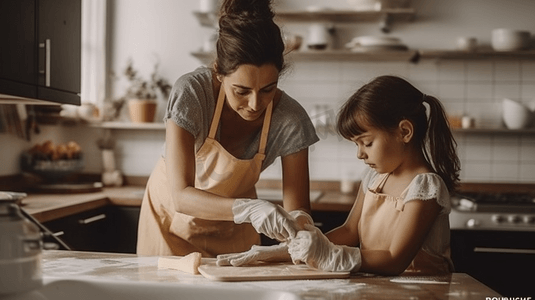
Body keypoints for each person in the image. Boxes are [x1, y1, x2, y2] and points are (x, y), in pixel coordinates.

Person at [218, 75, 460, 276]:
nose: (360, 155)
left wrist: (330, 255)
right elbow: (350, 231)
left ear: (404, 131)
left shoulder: (425, 186)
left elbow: (394, 259)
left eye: (366, 143)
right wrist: (286, 250)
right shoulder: (375, 179)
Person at [136, 0, 318, 258]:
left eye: (268, 89)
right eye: (241, 91)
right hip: (170, 224)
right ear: (219, 73)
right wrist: (251, 209)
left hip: (234, 232)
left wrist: (299, 224)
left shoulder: (291, 119)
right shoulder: (192, 93)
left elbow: (299, 209)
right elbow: (181, 196)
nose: (255, 104)